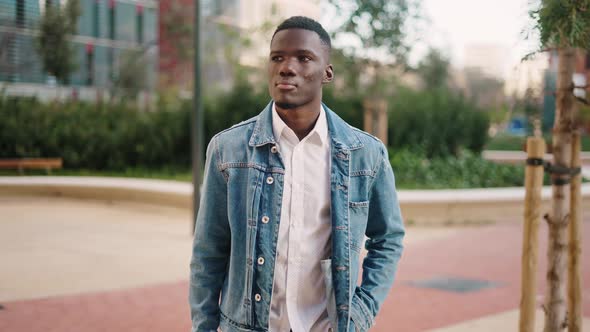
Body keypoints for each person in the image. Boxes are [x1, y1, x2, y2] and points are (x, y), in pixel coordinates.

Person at [189, 16, 405, 332]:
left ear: (327, 73)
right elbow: (208, 253)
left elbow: (388, 238)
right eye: (277, 57)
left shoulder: (365, 154)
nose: (287, 67)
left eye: (303, 58)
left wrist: (359, 313)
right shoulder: (229, 149)